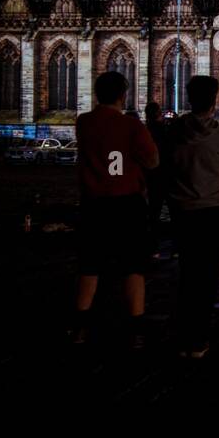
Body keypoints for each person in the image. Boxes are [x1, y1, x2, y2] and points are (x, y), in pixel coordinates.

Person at [71, 71, 160, 348]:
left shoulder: (83, 122)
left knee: (89, 265)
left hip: (94, 203)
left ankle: (79, 327)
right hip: (126, 203)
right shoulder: (132, 126)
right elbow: (153, 161)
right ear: (124, 95)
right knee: (134, 266)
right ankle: (136, 327)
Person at [167, 75, 219, 358]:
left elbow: (163, 165)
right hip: (212, 213)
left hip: (182, 212)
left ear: (189, 99)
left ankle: (183, 333)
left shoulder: (173, 131)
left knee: (187, 272)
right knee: (208, 276)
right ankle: (199, 338)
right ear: (214, 100)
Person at [143, 101, 170, 258]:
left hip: (152, 176)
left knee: (153, 213)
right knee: (176, 212)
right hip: (167, 175)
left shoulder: (145, 131)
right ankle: (177, 248)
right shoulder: (165, 130)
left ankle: (152, 247)